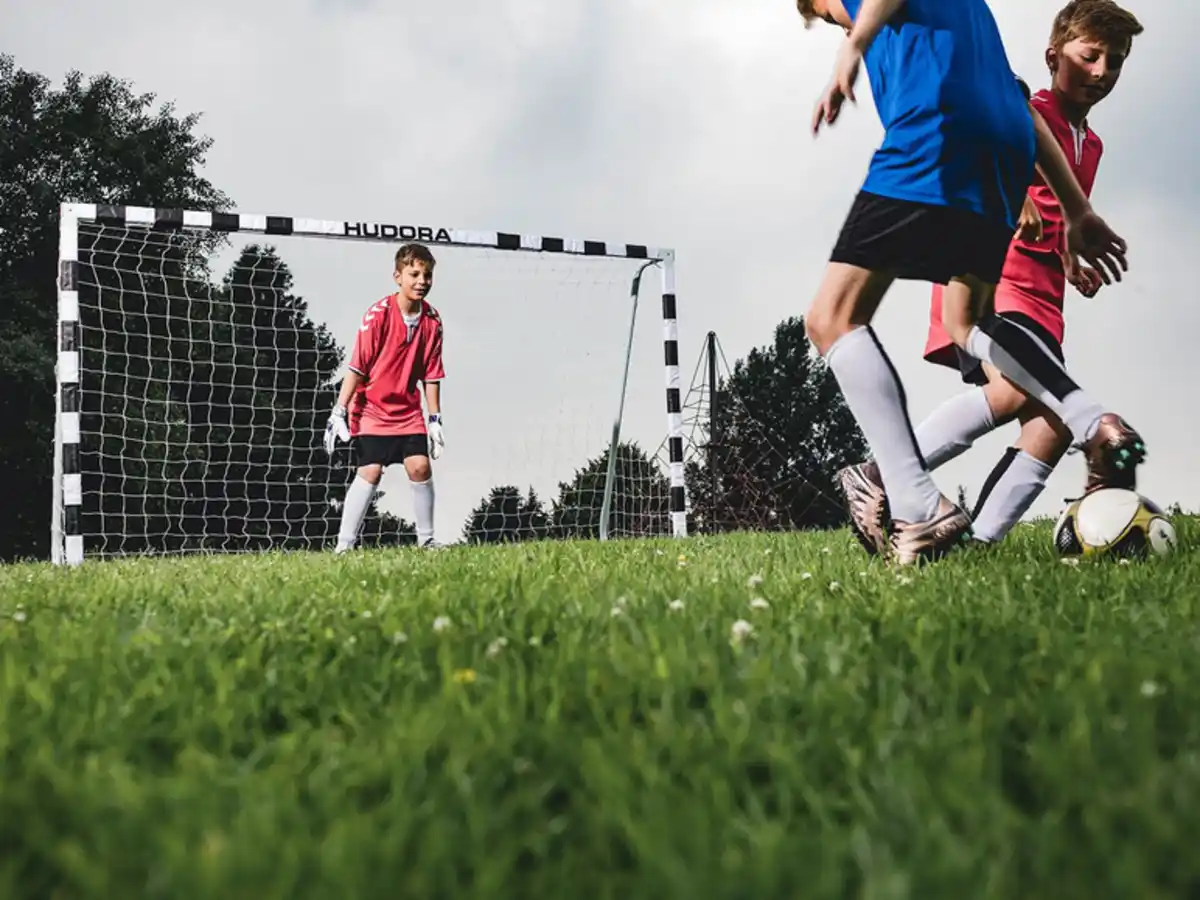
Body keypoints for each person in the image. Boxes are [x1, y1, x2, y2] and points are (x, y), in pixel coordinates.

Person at [796, 0, 1141, 565]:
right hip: (1003, 144)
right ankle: (1089, 422)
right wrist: (1077, 214)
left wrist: (853, 42)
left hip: (936, 129)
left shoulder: (860, 14)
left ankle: (907, 495)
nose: (838, 19)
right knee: (969, 323)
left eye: (826, 14)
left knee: (831, 319)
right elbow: (1021, 108)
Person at [323, 243, 446, 551]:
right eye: (414, 274)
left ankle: (427, 542)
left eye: (427, 275)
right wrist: (339, 411)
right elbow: (357, 367)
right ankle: (344, 546)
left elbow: (431, 374)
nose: (421, 281)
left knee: (420, 467)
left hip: (407, 411)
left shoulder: (433, 321)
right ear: (397, 276)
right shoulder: (377, 316)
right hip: (372, 409)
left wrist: (434, 419)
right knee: (371, 471)